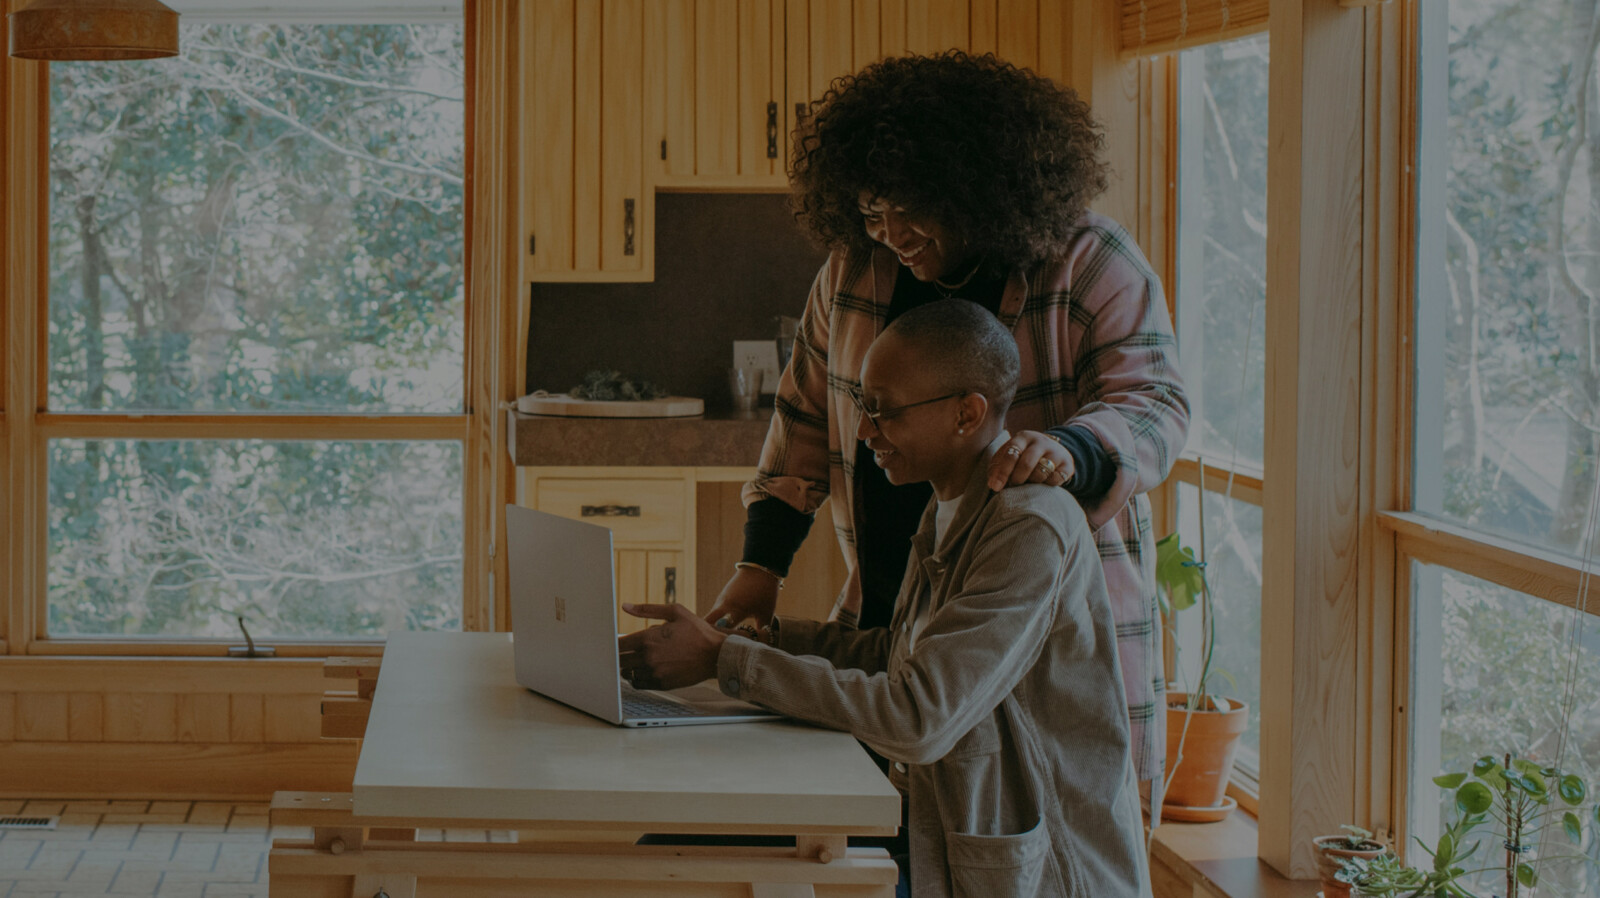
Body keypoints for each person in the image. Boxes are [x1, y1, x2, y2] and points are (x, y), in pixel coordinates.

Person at [703, 51, 1189, 792]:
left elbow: (1155, 403)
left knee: (1047, 832)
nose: (891, 230)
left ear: (977, 187)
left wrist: (1067, 451)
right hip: (894, 609)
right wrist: (758, 568)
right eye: (872, 208)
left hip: (1042, 635)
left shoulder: (1088, 262)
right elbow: (799, 422)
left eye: (912, 206)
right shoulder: (852, 270)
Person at [620, 300, 1153, 898]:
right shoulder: (948, 503)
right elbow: (899, 655)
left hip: (1033, 874)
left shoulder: (1028, 526)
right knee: (670, 852)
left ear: (966, 414)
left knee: (687, 870)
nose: (865, 431)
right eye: (863, 407)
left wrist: (724, 660)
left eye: (884, 411)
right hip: (942, 831)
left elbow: (920, 717)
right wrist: (763, 640)